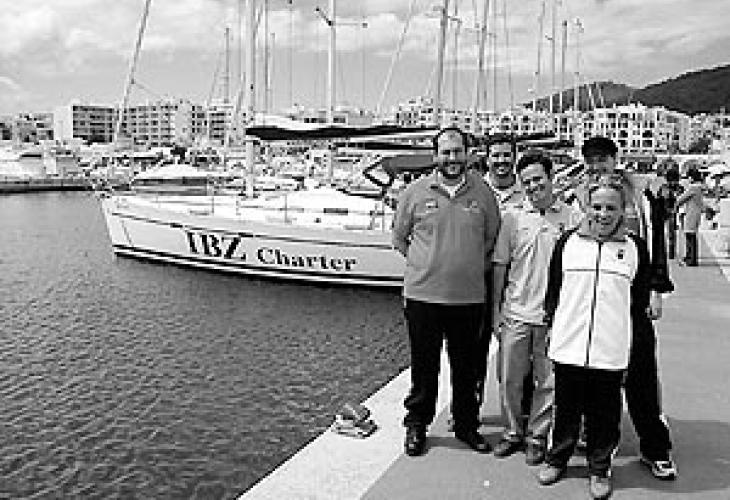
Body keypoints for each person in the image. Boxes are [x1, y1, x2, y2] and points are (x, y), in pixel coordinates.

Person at [538, 176, 652, 499]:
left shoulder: (634, 249)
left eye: (611, 208)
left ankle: (600, 468)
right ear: (587, 207)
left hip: (609, 347)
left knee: (605, 414)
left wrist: (628, 342)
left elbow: (638, 301)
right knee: (566, 409)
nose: (603, 214)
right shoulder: (568, 243)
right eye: (597, 206)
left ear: (623, 210)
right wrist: (552, 329)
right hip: (569, 345)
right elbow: (554, 291)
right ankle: (557, 458)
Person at [572, 136, 677, 480]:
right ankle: (599, 435)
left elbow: (657, 243)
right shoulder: (577, 195)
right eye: (590, 160)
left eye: (602, 159)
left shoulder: (641, 194)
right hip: (593, 298)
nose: (596, 166)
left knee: (641, 374)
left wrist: (657, 289)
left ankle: (655, 447)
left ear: (615, 159)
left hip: (632, 298)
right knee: (595, 373)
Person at [392, 127, 501, 457]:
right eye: (446, 152)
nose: (452, 158)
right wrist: (427, 265)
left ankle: (466, 425)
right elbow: (400, 239)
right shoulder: (414, 192)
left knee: (466, 368)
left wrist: (463, 264)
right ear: (435, 155)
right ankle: (417, 425)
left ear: (467, 154)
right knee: (424, 367)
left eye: (457, 151)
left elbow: (490, 240)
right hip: (423, 297)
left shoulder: (483, 194)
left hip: (468, 298)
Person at [491, 151, 578, 465]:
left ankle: (537, 437)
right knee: (510, 379)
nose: (533, 187)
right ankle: (512, 432)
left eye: (538, 179)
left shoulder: (572, 218)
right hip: (516, 312)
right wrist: (496, 310)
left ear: (551, 178)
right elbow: (500, 266)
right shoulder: (512, 218)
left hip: (554, 316)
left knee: (548, 382)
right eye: (526, 182)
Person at [675, 167, 704, 266]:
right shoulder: (699, 187)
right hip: (695, 213)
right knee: (691, 236)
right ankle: (690, 257)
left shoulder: (693, 188)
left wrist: (675, 201)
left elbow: (681, 199)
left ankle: (691, 259)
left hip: (691, 214)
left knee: (690, 236)